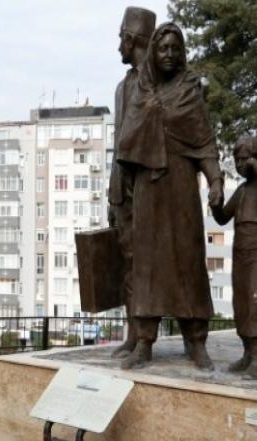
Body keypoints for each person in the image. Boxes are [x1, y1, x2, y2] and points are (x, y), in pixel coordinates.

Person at [116, 22, 225, 371]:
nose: (169, 54)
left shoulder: (190, 92)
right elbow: (126, 148)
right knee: (147, 264)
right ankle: (144, 341)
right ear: (152, 52)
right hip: (148, 189)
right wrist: (121, 199)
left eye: (175, 48)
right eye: (162, 48)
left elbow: (205, 143)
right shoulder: (140, 94)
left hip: (180, 187)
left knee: (187, 261)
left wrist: (216, 180)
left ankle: (196, 341)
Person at [107, 6, 156, 359]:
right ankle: (132, 332)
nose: (117, 47)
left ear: (133, 38)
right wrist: (112, 196)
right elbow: (117, 142)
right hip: (121, 188)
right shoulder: (122, 87)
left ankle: (146, 339)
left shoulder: (153, 84)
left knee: (147, 265)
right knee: (128, 264)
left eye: (121, 38)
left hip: (147, 187)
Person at [212, 136, 257, 380]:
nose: (240, 164)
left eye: (245, 158)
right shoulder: (241, 191)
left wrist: (255, 164)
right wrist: (215, 203)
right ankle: (248, 354)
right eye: (237, 159)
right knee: (241, 302)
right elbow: (222, 218)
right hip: (240, 248)